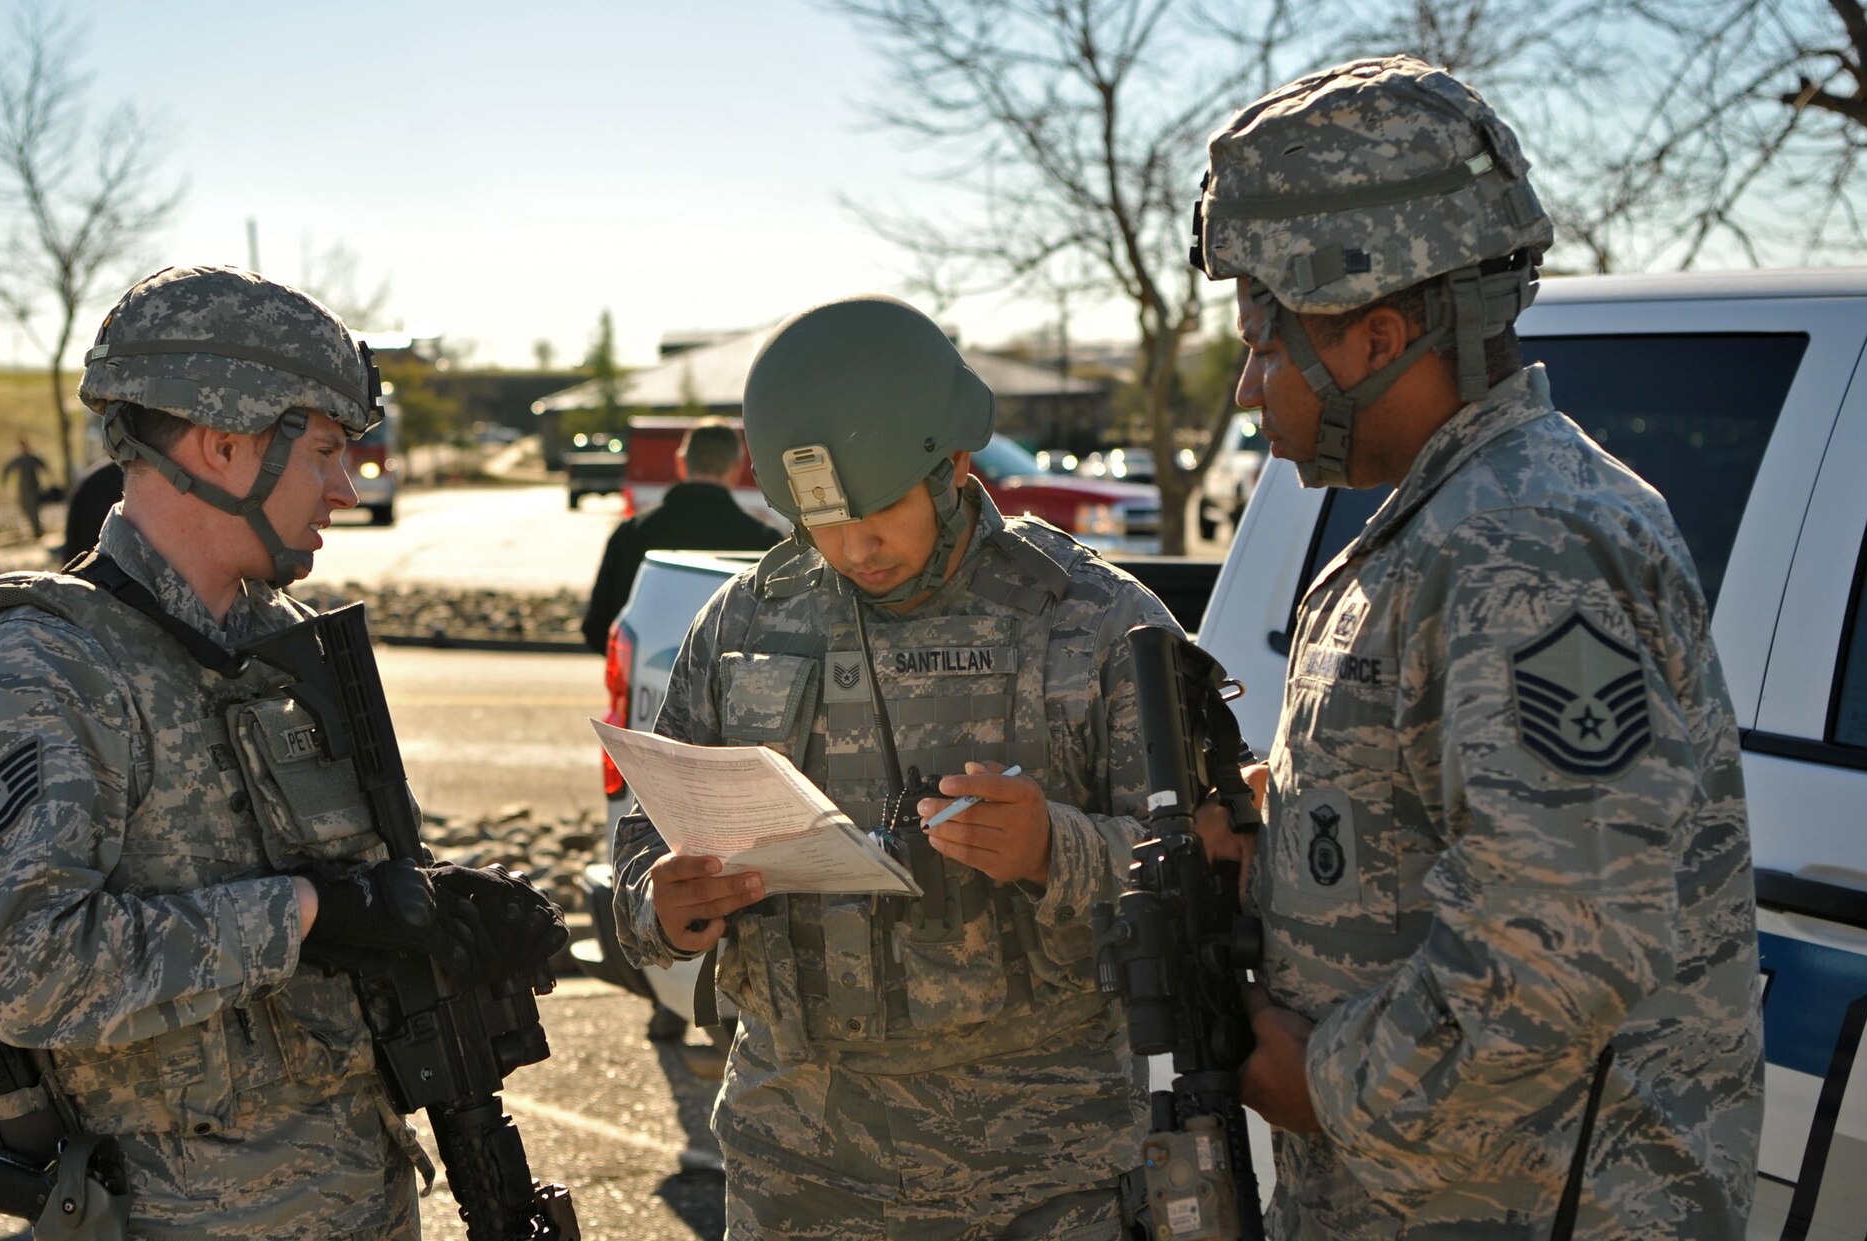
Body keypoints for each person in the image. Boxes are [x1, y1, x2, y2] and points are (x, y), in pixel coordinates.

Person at [1187, 56, 1764, 1237]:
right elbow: (1449, 819)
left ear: (1375, 334)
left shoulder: (1523, 542)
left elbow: (1561, 939)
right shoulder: (1454, 520)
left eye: (1265, 338)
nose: (1250, 386)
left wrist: (1322, 1082)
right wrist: (1279, 826)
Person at [0, 265, 563, 1241]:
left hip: (367, 1198)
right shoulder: (38, 662)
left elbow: (352, 898)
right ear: (223, 443)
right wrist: (306, 915)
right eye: (322, 451)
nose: (346, 487)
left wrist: (442, 910)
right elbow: (21, 969)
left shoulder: (286, 646)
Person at [612, 294, 1178, 1239]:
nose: (853, 548)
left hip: (1039, 1171)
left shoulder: (1090, 618)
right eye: (822, 521)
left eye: (877, 513)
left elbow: (1208, 865)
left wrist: (1055, 848)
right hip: (799, 1162)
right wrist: (661, 908)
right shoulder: (745, 623)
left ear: (953, 463)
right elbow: (645, 841)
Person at [580, 420, 782, 653]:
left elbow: (596, 628)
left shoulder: (630, 533)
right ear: (737, 469)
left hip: (646, 682)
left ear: (681, 463)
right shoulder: (764, 542)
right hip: (729, 686)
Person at [0, 434, 50, 538]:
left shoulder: (33, 457)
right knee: (25, 509)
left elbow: (44, 466)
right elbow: (8, 469)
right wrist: (3, 483)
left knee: (33, 510)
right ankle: (34, 530)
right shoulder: (20, 459)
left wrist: (49, 479)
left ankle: (37, 531)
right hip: (23, 489)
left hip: (33, 489)